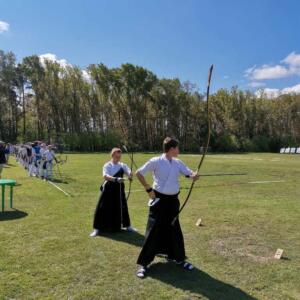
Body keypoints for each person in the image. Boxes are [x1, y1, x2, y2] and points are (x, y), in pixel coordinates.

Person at [135, 137, 200, 278]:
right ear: (171, 149)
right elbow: (139, 173)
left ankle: (178, 258)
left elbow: (189, 173)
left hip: (173, 201)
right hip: (159, 200)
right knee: (153, 230)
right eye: (177, 148)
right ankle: (143, 264)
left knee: (174, 228)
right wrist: (148, 189)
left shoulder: (177, 162)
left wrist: (194, 175)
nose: (179, 150)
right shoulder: (156, 161)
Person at [90, 147, 137, 237]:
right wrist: (116, 179)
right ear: (112, 156)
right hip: (108, 189)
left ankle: (128, 226)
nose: (118, 158)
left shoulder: (122, 165)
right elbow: (105, 176)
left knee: (122, 207)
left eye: (119, 157)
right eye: (116, 156)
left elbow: (128, 172)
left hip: (119, 190)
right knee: (102, 207)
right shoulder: (107, 165)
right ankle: (97, 229)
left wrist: (130, 175)